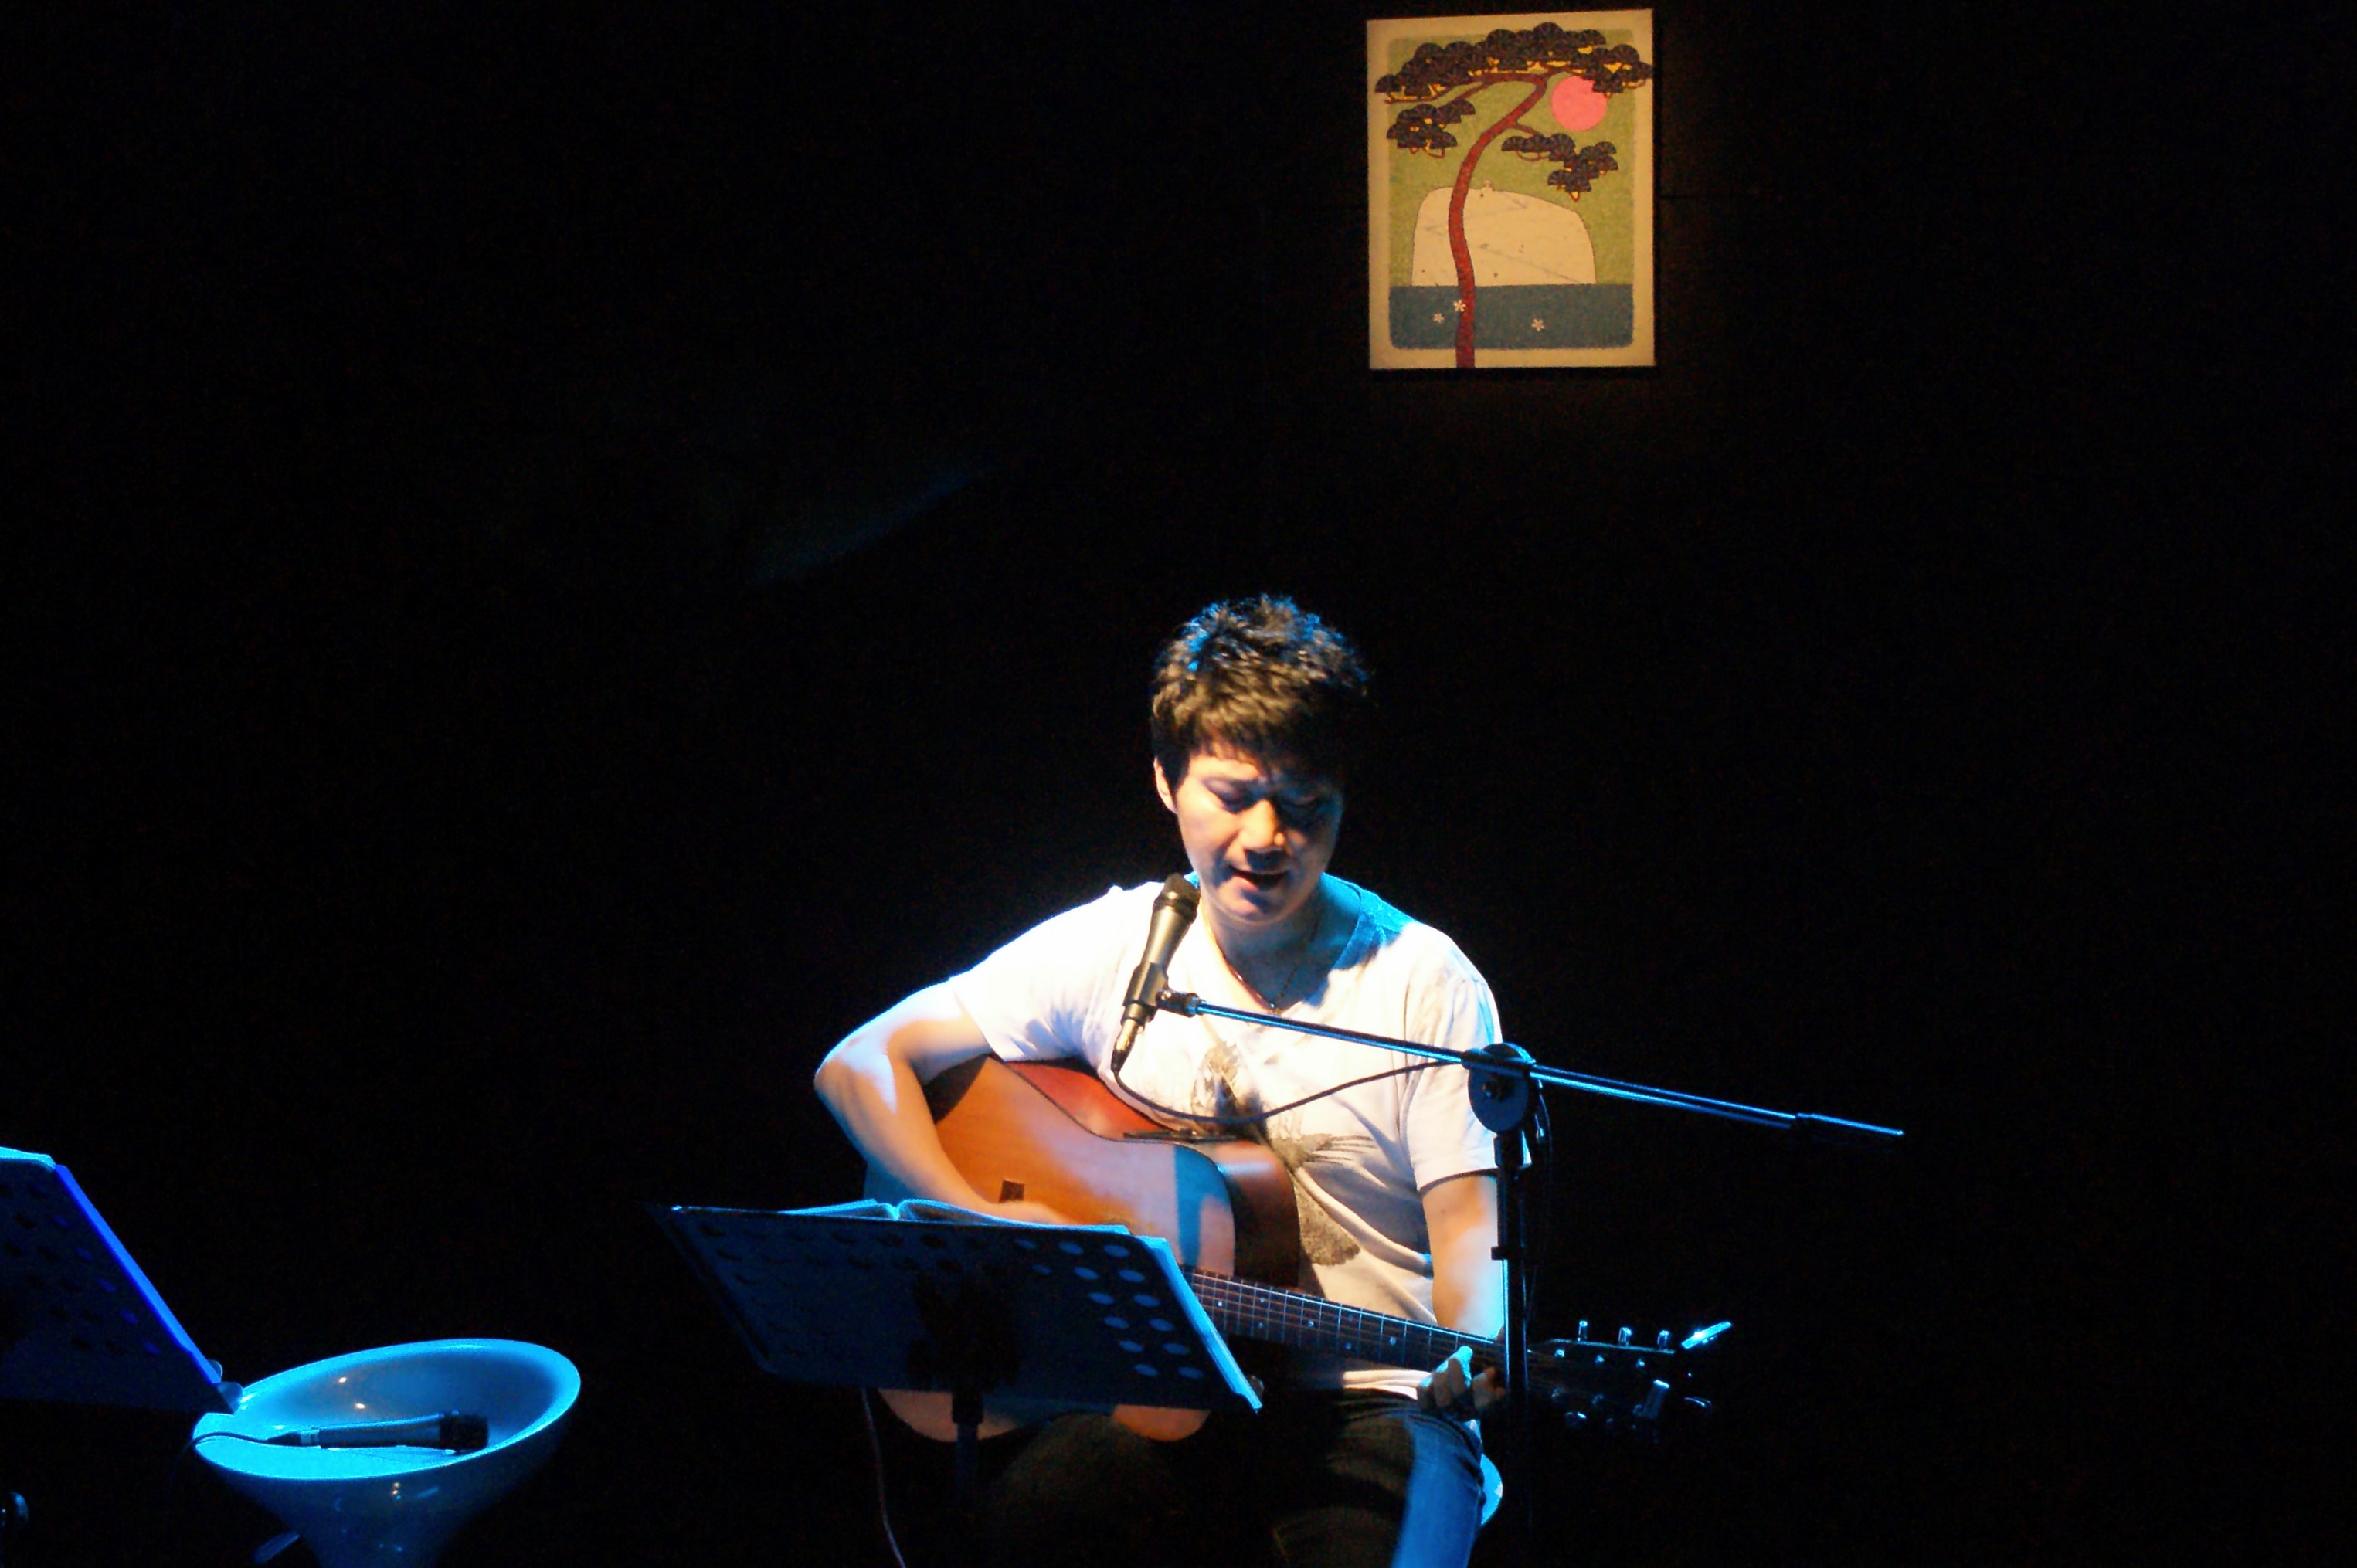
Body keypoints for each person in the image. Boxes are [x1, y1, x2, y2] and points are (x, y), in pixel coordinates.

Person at [814, 596, 1506, 1568]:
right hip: (1169, 1398)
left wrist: (1476, 1351)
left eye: (1305, 804)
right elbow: (858, 1063)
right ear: (1165, 781)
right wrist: (972, 1221)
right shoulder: (1119, 944)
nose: (1267, 836)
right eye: (1233, 794)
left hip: (1375, 1402)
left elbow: (1473, 1246)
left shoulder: (1423, 979)